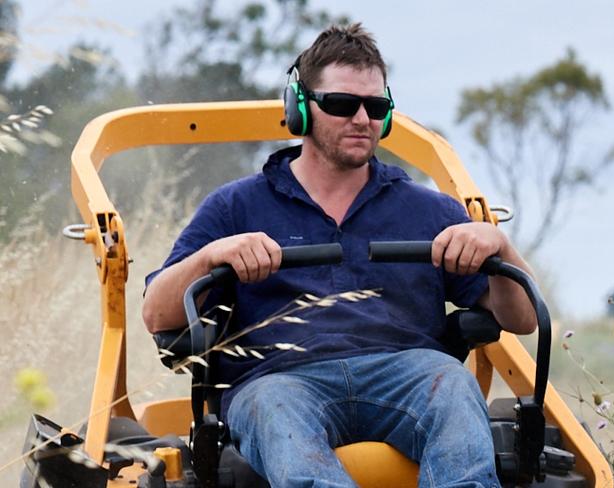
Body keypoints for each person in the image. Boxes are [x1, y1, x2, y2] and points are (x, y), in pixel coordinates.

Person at [143, 23, 536, 488]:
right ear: (300, 109)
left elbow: (524, 318)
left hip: (411, 373)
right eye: (342, 104)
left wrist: (499, 244)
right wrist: (213, 256)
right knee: (275, 406)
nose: (361, 118)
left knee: (451, 383)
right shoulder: (236, 207)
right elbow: (156, 314)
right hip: (280, 381)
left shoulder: (432, 212)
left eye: (376, 106)